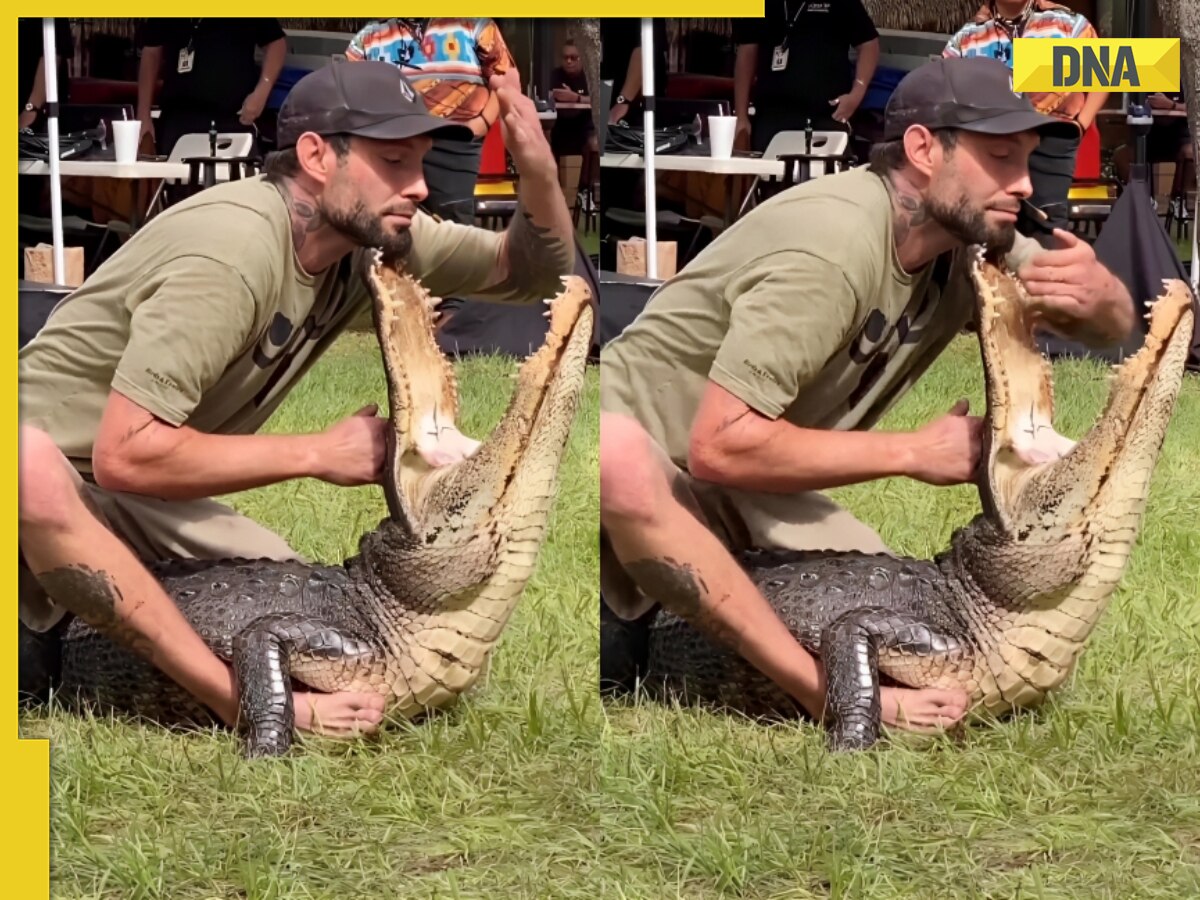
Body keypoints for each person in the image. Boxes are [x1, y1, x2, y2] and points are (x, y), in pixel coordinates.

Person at [18, 60, 576, 740]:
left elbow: (529, 273)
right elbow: (127, 454)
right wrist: (317, 452)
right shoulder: (235, 249)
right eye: (395, 160)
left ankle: (62, 613)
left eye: (422, 161)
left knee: (296, 609)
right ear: (316, 156)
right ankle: (245, 707)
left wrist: (539, 173)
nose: (420, 185)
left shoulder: (366, 237)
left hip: (120, 492)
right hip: (54, 478)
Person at [598, 57, 1135, 735]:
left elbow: (1106, 323)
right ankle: (826, 697)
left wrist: (1101, 296)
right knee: (845, 663)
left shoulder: (969, 241)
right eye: (1000, 156)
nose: (1024, 182)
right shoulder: (834, 247)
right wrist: (913, 451)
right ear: (921, 150)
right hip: (643, 478)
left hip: (748, 481)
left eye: (1027, 158)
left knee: (914, 641)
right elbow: (719, 444)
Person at [943, 1, 1107, 246]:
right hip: (990, 145)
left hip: (1050, 142)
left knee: (1046, 236)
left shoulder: (1067, 24)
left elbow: (1102, 76)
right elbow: (945, 91)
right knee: (989, 235)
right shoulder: (968, 37)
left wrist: (1080, 125)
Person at [732, 0, 880, 153]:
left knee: (828, 175)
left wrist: (856, 94)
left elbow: (869, 43)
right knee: (768, 174)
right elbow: (747, 52)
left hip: (828, 114)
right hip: (772, 115)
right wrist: (741, 117)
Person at [135, 18, 287, 156]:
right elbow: (151, 52)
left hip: (236, 117)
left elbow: (276, 43)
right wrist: (143, 114)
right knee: (178, 182)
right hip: (179, 116)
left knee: (235, 182)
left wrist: (262, 91)